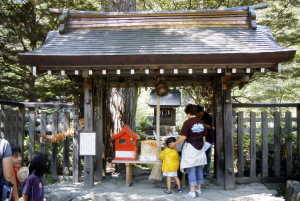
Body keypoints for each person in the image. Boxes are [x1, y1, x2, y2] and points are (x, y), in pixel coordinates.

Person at [170, 104, 209, 198]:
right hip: (200, 148)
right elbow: (204, 137)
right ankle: (198, 189)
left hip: (191, 148)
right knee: (199, 168)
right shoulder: (202, 122)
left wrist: (174, 144)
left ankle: (192, 191)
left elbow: (183, 137)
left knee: (191, 168)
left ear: (188, 113)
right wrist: (202, 148)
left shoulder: (187, 122)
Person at [196, 105, 214, 177]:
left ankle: (206, 172)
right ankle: (199, 172)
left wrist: (202, 124)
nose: (196, 114)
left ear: (201, 111)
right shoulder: (196, 117)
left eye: (197, 113)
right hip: (198, 139)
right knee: (198, 155)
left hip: (208, 139)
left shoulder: (209, 117)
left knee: (207, 156)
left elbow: (211, 127)